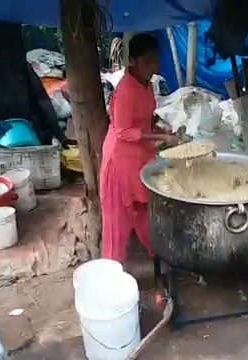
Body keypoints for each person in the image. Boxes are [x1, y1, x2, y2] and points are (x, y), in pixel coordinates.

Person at [100, 33, 179, 264]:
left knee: (143, 207)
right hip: (120, 159)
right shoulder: (125, 91)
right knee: (118, 219)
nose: (154, 67)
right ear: (131, 61)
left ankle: (159, 253)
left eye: (156, 60)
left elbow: (144, 118)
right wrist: (160, 137)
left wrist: (160, 127)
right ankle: (112, 269)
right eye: (148, 62)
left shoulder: (146, 84)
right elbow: (123, 131)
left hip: (140, 155)